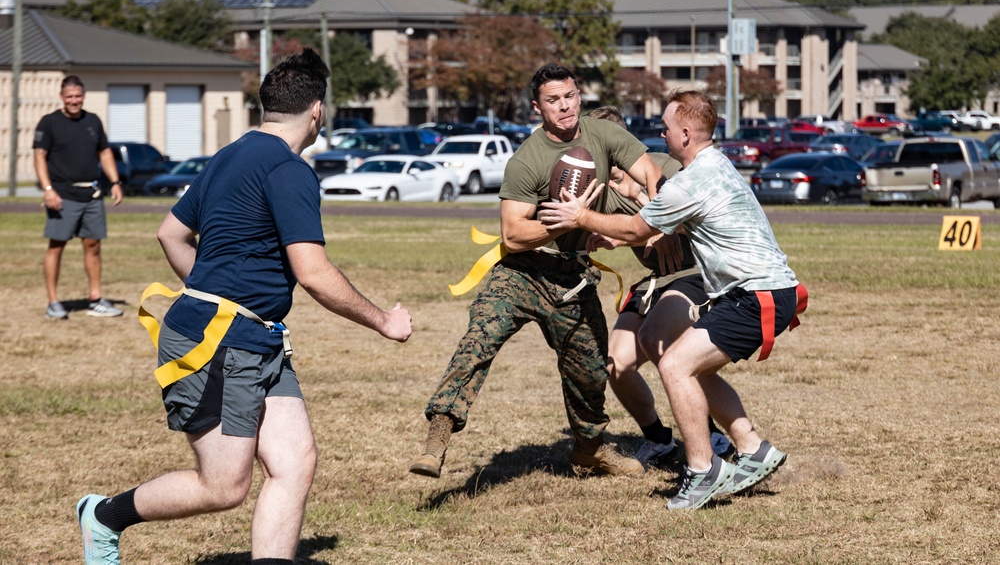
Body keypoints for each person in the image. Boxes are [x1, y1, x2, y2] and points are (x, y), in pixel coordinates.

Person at [76, 49, 413, 565]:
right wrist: (384, 321)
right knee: (224, 486)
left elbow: (170, 234)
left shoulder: (230, 154)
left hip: (256, 337)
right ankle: (104, 515)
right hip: (222, 343)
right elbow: (313, 273)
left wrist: (213, 293)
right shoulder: (288, 170)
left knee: (294, 462)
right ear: (317, 111)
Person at [540, 89, 803, 511]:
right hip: (762, 291)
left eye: (664, 127)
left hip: (757, 295)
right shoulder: (711, 166)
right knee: (687, 364)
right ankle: (753, 449)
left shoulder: (694, 179)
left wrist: (580, 216)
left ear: (685, 132)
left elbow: (635, 231)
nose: (659, 133)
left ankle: (703, 469)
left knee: (675, 365)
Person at [409, 64, 663, 479]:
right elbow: (511, 234)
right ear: (536, 108)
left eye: (570, 96)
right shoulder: (527, 159)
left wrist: (657, 221)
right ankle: (438, 434)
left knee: (591, 372)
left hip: (573, 278)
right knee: (479, 340)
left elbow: (650, 173)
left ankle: (589, 450)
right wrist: (565, 221)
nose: (564, 107)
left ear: (579, 96)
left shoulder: (604, 135)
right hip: (521, 274)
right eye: (553, 100)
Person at [589, 106, 734, 469]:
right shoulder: (599, 185)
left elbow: (689, 214)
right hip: (654, 281)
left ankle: (711, 435)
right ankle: (659, 440)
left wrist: (653, 217)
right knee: (616, 364)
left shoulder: (663, 167)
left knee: (666, 347)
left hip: (693, 274)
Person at [33, 75, 124, 319]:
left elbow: (104, 152)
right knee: (56, 247)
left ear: (83, 96)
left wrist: (115, 182)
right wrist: (48, 189)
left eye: (78, 96)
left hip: (92, 194)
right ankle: (53, 302)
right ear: (62, 98)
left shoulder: (93, 121)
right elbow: (39, 155)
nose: (74, 101)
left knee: (93, 245)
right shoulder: (49, 123)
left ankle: (95, 298)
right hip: (62, 195)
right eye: (69, 97)